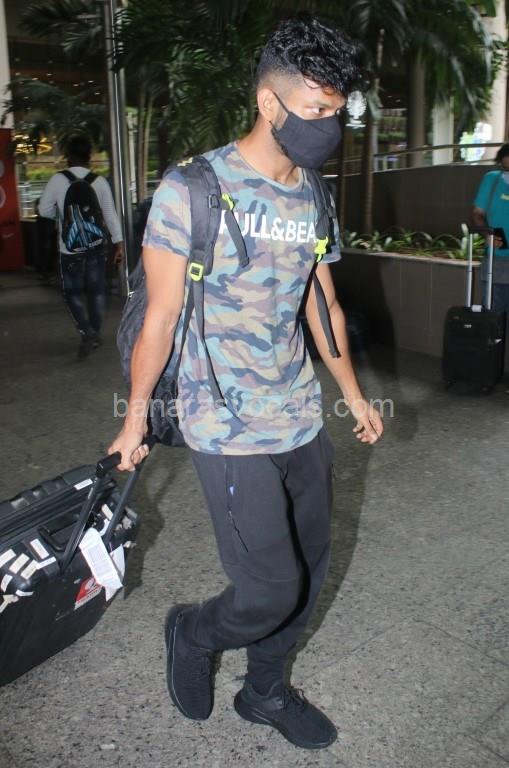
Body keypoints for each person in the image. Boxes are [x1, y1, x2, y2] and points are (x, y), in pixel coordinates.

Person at [109, 16, 383, 751]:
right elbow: (161, 317)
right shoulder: (192, 189)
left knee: (309, 568)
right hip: (223, 420)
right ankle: (193, 632)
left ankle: (263, 691)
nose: (329, 127)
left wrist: (352, 394)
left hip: (298, 414)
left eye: (336, 111)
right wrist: (133, 422)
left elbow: (321, 301)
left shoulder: (313, 194)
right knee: (268, 589)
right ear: (269, 102)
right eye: (316, 110)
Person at [38, 135, 125, 358]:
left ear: (68, 156)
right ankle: (94, 331)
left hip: (69, 248)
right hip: (96, 246)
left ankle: (87, 332)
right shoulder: (99, 182)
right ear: (89, 156)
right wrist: (119, 243)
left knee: (71, 292)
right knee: (97, 290)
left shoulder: (57, 180)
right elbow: (110, 215)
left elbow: (44, 210)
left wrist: (62, 216)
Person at [472, 143, 509, 314]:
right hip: (497, 261)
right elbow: (477, 214)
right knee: (493, 316)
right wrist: (488, 235)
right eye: (505, 168)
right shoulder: (492, 179)